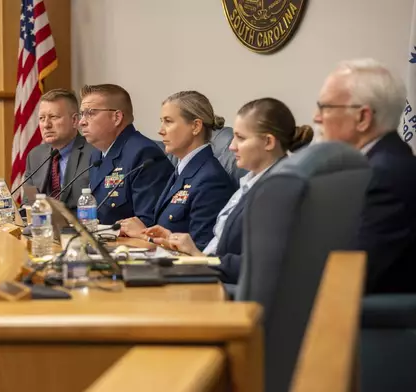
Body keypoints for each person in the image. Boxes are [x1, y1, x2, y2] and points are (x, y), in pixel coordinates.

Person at [150, 98, 313, 284]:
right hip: (211, 274)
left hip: (229, 290)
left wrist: (199, 258)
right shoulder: (250, 182)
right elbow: (220, 247)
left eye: (241, 138)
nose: (231, 146)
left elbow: (258, 265)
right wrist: (184, 246)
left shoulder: (278, 190)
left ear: (268, 142)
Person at [315, 58, 416, 293]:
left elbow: (351, 274)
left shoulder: (386, 175)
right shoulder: (379, 164)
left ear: (362, 118)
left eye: (325, 108)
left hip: (371, 321)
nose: (317, 117)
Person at [118, 91, 235, 250]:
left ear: (195, 126)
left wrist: (143, 235)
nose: (161, 130)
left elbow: (201, 251)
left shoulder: (210, 179)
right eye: (162, 121)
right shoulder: (183, 171)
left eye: (168, 121)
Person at [79, 84, 174, 225]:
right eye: (82, 114)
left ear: (116, 117)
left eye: (91, 113)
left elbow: (147, 223)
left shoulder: (144, 154)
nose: (82, 122)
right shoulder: (97, 155)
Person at [24, 89, 94, 210]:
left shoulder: (94, 153)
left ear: (74, 120)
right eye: (41, 118)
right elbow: (28, 203)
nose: (46, 125)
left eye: (53, 117)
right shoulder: (35, 155)